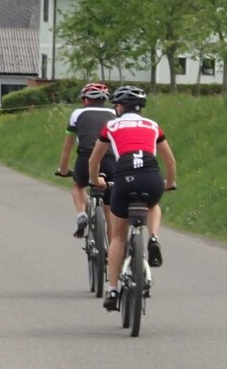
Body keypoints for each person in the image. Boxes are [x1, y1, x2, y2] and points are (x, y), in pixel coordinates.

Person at [88, 85, 177, 312]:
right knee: (153, 205)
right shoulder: (153, 125)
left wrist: (95, 179)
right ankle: (154, 237)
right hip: (151, 176)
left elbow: (94, 160)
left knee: (118, 236)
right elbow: (170, 162)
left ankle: (113, 289)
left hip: (125, 177)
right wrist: (169, 183)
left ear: (119, 107)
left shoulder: (111, 126)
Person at [56, 83, 116, 238]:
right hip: (110, 160)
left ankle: (82, 213)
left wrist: (63, 169)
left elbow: (67, 148)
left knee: (78, 186)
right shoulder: (115, 113)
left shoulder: (78, 114)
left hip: (86, 158)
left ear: (85, 100)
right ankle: (111, 255)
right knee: (110, 214)